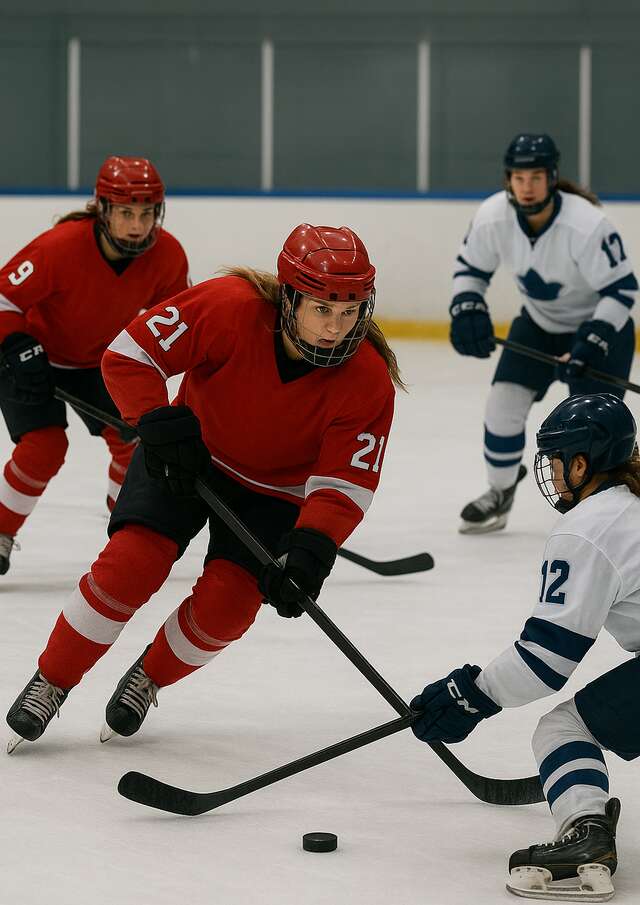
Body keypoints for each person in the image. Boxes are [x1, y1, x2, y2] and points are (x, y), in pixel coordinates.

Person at [6, 223, 401, 751]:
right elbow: (130, 354)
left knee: (228, 606)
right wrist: (156, 419)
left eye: (349, 313)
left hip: (275, 495)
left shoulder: (368, 378)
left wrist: (313, 546)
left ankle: (150, 676)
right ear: (289, 297)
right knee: (131, 566)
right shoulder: (228, 306)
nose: (336, 329)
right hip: (185, 458)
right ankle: (52, 680)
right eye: (322, 310)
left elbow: (345, 483)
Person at [411, 393, 640, 901]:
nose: (553, 475)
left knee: (563, 728)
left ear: (582, 464)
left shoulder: (589, 528)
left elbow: (544, 662)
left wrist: (471, 694)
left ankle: (587, 833)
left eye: (558, 462)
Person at [0, 155, 190, 573]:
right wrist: (16, 345)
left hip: (99, 362)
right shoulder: (60, 246)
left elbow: (181, 327)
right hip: (33, 358)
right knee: (44, 447)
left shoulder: (168, 256)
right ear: (103, 209)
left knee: (136, 444)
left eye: (146, 213)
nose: (137, 225)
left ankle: (125, 525)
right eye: (126, 212)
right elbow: (4, 297)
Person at [450, 132, 638, 534]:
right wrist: (466, 307)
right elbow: (470, 270)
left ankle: (598, 508)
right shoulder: (492, 216)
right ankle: (500, 492)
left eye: (536, 176)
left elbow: (622, 290)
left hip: (602, 329)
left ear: (552, 177)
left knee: (591, 433)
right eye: (519, 177)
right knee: (502, 406)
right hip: (538, 325)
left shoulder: (585, 224)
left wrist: (592, 339)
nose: (527, 186)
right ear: (508, 180)